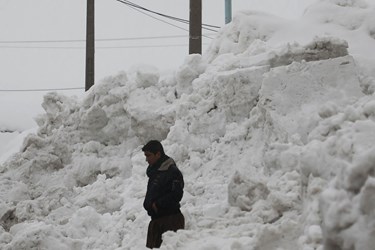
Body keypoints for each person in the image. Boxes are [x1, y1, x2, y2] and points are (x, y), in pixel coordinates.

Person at [142, 140, 185, 249]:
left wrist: (157, 205)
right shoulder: (155, 172)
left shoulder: (172, 172)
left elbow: (177, 195)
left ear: (158, 154)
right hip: (156, 222)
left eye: (148, 155)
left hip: (170, 221)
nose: (146, 159)